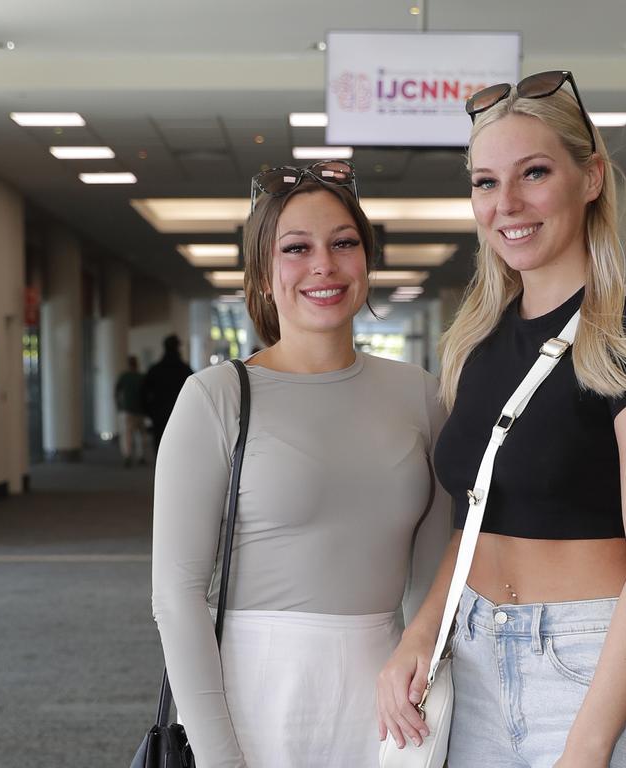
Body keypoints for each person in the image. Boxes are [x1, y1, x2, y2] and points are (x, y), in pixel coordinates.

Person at [376, 71, 626, 768]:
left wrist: (589, 742)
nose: (507, 204)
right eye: (486, 183)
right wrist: (420, 634)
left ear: (590, 179)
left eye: (534, 173)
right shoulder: (477, 340)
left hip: (592, 664)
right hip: (472, 653)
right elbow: (474, 519)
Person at [150, 161, 451, 767]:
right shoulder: (216, 396)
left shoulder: (419, 394)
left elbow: (434, 573)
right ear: (263, 275)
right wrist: (217, 758)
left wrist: (428, 689)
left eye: (344, 243)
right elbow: (176, 597)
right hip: (251, 693)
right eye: (297, 248)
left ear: (366, 260)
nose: (324, 265)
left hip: (389, 695)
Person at [140, 334, 193, 452]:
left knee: (159, 446)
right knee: (179, 448)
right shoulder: (185, 370)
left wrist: (149, 411)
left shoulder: (155, 369)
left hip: (159, 415)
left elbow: (144, 392)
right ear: (178, 347)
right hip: (181, 415)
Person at [114, 355, 147, 467]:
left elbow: (117, 391)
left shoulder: (124, 376)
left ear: (128, 364)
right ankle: (141, 456)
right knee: (140, 435)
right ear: (137, 364)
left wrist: (118, 405)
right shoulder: (141, 377)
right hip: (140, 409)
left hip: (127, 409)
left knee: (127, 435)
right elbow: (146, 394)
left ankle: (127, 456)